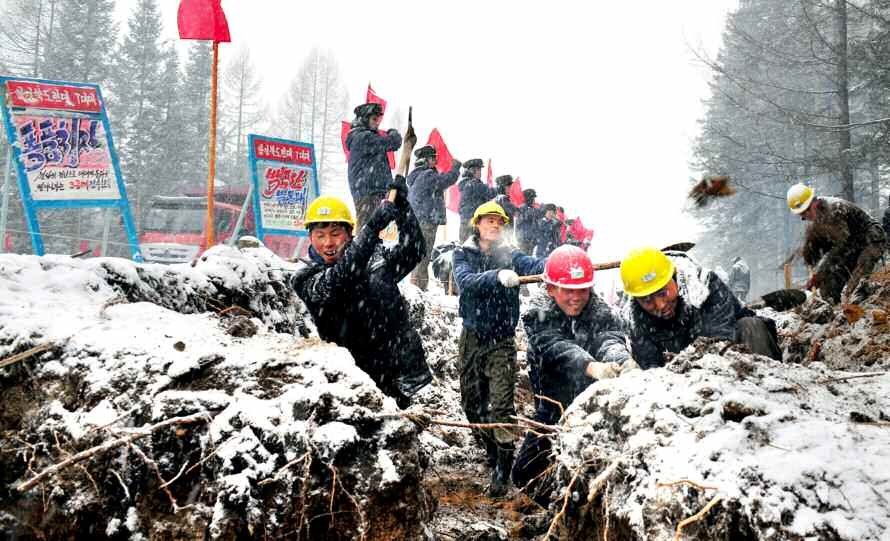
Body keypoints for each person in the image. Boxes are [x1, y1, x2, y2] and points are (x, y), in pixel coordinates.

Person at [289, 180, 431, 409]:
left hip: (394, 376)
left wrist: (404, 209)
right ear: (310, 237)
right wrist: (373, 229)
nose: (328, 243)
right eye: (320, 235)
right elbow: (342, 276)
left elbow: (414, 249)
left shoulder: (375, 261)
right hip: (348, 386)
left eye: (335, 233)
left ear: (348, 233)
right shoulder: (305, 279)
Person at [512, 246, 636, 505]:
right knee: (525, 473)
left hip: (591, 407)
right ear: (550, 288)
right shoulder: (536, 313)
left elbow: (609, 340)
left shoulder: (600, 310)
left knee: (591, 470)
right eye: (568, 290)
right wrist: (592, 366)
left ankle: (581, 509)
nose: (576, 297)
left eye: (582, 289)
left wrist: (622, 361)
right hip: (551, 405)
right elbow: (556, 347)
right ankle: (559, 508)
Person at [452, 201, 545, 497]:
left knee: (502, 403)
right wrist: (496, 276)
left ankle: (503, 467)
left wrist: (558, 263)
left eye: (498, 222)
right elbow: (465, 282)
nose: (494, 225)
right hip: (471, 337)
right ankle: (492, 447)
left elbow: (535, 266)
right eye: (488, 221)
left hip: (502, 340)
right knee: (472, 402)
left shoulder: (511, 255)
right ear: (477, 224)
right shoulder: (462, 253)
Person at [620, 247, 782, 368]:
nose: (660, 305)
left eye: (663, 293)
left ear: (674, 276)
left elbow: (720, 343)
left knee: (750, 325)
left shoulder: (705, 285)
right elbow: (651, 369)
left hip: (737, 356)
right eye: (647, 300)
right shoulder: (635, 320)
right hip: (684, 379)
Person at [788, 183, 887, 303]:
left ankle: (861, 307)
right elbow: (812, 247)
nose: (805, 218)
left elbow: (841, 247)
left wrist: (819, 275)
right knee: (828, 290)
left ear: (813, 203)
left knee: (855, 289)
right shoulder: (816, 221)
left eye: (804, 212)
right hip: (854, 244)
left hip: (872, 239)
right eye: (801, 215)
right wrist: (814, 269)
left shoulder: (833, 210)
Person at [406, 145, 461, 291]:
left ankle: (417, 288)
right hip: (426, 221)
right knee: (423, 257)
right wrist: (455, 168)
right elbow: (445, 180)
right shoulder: (427, 175)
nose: (435, 161)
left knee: (420, 257)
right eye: (433, 158)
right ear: (425, 161)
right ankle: (419, 290)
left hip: (419, 220)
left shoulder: (416, 176)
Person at [345, 102, 402, 229]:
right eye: (374, 119)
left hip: (372, 192)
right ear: (365, 119)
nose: (377, 123)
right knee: (368, 232)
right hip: (369, 193)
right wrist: (393, 133)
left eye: (379, 119)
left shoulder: (364, 137)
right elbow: (393, 142)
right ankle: (360, 249)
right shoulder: (363, 137)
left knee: (373, 232)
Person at [457, 159, 494, 242]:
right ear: (472, 171)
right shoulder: (474, 184)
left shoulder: (466, 184)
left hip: (466, 223)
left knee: (466, 250)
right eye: (478, 170)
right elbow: (490, 192)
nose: (480, 172)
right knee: (475, 250)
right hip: (473, 223)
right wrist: (500, 189)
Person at [515, 189, 543, 255]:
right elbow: (525, 217)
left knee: (529, 257)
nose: (534, 201)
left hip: (531, 240)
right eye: (533, 198)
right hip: (524, 240)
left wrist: (536, 237)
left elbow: (536, 223)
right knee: (524, 258)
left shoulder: (532, 208)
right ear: (528, 198)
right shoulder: (522, 207)